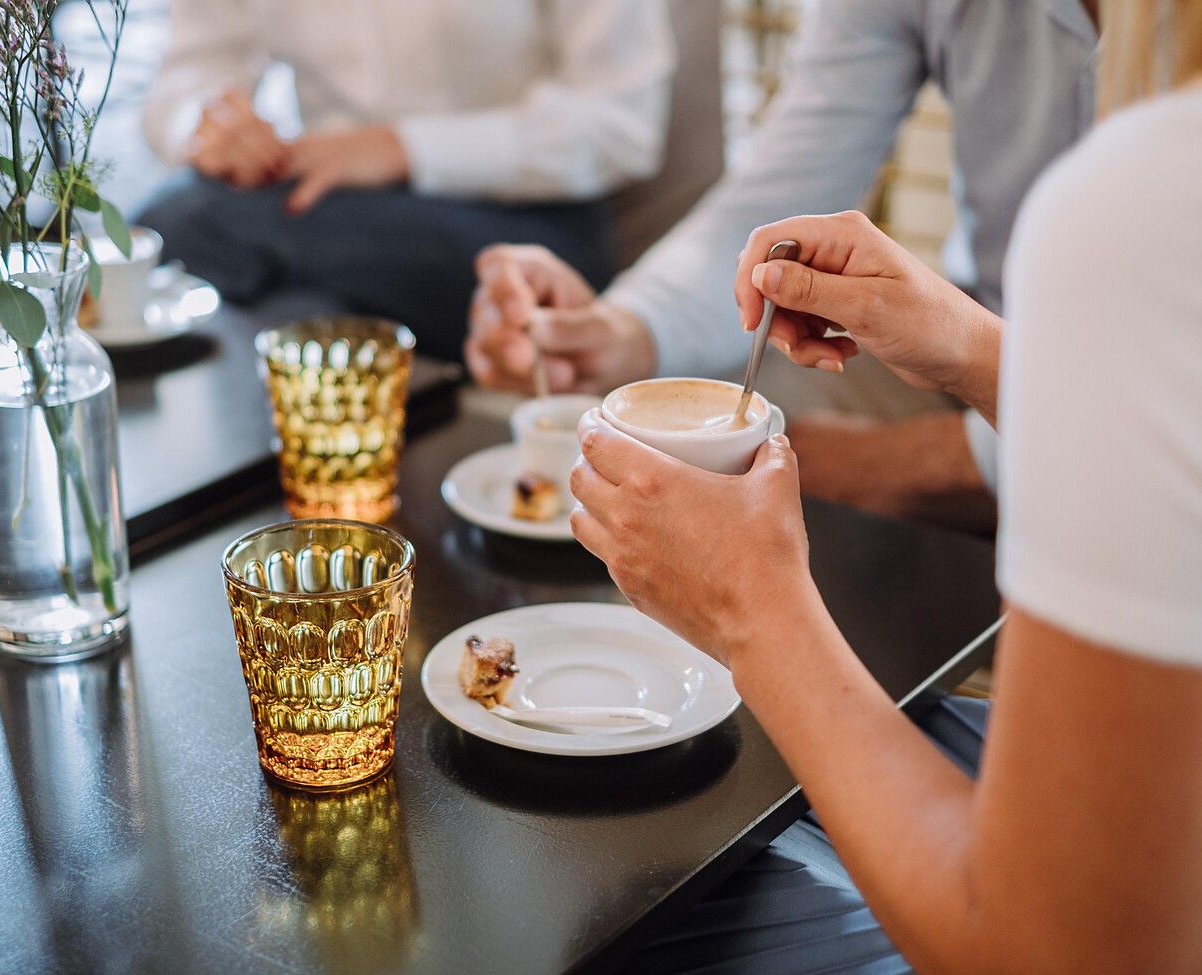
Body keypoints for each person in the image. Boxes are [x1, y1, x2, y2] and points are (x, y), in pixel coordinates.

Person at [570, 0, 1202, 969]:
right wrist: (976, 352)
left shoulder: (1141, 196)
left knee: (639, 913)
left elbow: (1047, 952)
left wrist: (752, 612)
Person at [468, 0, 1102, 531]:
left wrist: (939, 461)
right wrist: (625, 330)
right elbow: (782, 195)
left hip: (1121, 419)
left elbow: (1139, 421)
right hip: (979, 342)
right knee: (693, 422)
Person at [136, 0, 674, 361]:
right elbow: (188, 74)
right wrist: (210, 125)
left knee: (177, 224)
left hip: (526, 221)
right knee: (294, 312)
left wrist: (400, 148)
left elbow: (622, 126)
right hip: (328, 212)